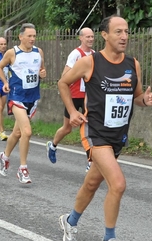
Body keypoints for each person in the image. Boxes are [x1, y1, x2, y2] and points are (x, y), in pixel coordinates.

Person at [57, 15, 152, 241]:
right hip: (95, 132)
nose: (124, 36)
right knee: (118, 184)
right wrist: (72, 112)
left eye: (126, 32)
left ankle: (69, 222)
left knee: (92, 184)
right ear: (104, 35)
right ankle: (108, 240)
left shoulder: (133, 64)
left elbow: (135, 96)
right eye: (118, 32)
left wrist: (144, 101)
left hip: (117, 136)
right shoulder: (90, 62)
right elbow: (62, 82)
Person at [0, 23, 46, 184]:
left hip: (33, 97)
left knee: (17, 133)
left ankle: (4, 156)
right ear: (21, 37)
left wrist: (43, 74)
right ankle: (23, 168)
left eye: (34, 36)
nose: (32, 39)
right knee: (27, 132)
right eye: (29, 36)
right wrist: (5, 82)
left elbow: (42, 71)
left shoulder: (39, 52)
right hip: (17, 97)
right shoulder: (12, 53)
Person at [46, 27, 94, 172]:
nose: (91, 39)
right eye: (88, 37)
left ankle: (91, 162)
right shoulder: (75, 54)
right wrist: (80, 73)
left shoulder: (94, 55)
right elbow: (64, 75)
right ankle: (53, 145)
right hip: (73, 96)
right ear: (81, 38)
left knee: (89, 129)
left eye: (92, 37)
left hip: (88, 97)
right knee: (67, 128)